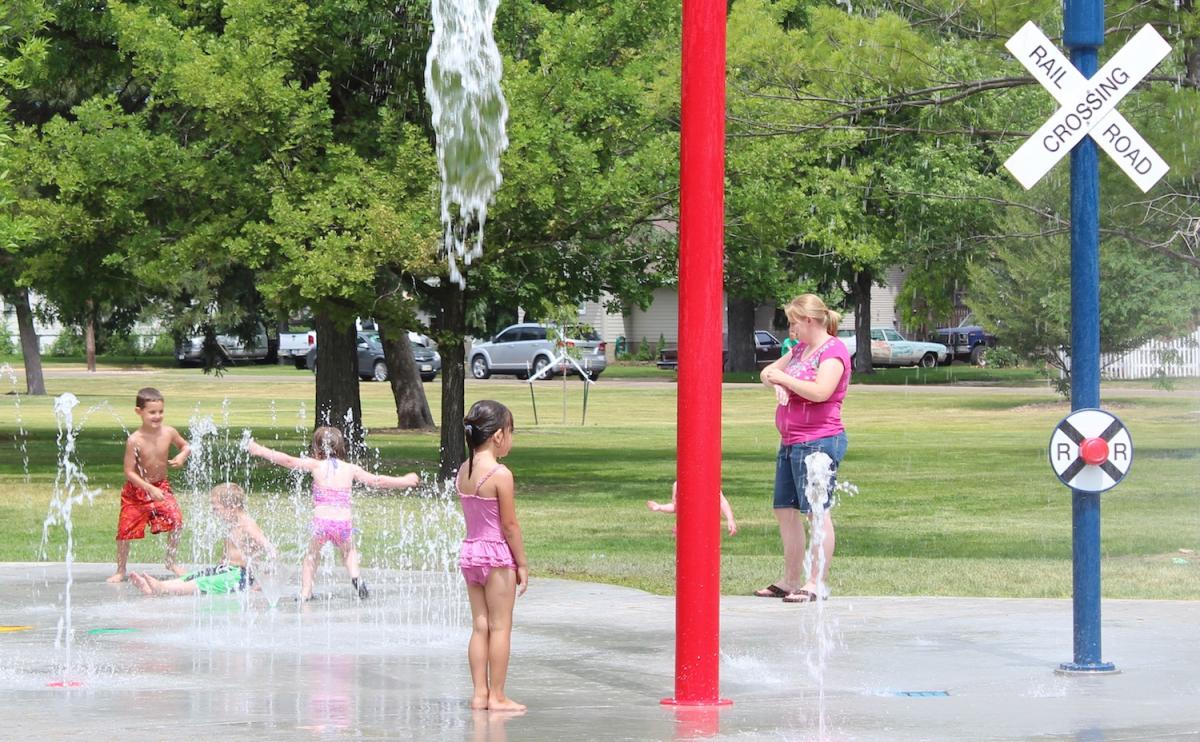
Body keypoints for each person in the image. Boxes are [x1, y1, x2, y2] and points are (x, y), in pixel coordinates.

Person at [245, 426, 419, 600]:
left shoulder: (316, 465)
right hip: (343, 524)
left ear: (316, 448)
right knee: (348, 552)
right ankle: (356, 578)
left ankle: (306, 592)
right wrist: (404, 481)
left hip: (321, 523)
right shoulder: (351, 468)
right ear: (341, 448)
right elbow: (377, 481)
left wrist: (260, 450)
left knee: (312, 556)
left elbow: (289, 461)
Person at [756, 294, 851, 604]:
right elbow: (766, 373)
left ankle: (815, 583)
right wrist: (778, 383)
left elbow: (822, 392)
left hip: (819, 441)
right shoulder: (799, 351)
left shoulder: (833, 351)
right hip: (790, 442)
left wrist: (785, 379)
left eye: (794, 322)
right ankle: (790, 580)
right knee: (785, 510)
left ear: (810, 321)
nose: (791, 328)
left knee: (816, 511)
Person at [457, 400, 528, 712]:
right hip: (496, 556)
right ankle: (497, 696)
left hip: (470, 553)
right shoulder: (500, 474)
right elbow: (509, 525)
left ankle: (479, 694)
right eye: (511, 432)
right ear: (498, 436)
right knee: (501, 626)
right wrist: (522, 563)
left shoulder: (464, 470)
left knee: (480, 625)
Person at [130, 483, 275, 596]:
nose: (213, 513)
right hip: (226, 571)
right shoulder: (232, 523)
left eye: (216, 508)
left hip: (239, 577)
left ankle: (162, 588)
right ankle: (155, 588)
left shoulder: (247, 525)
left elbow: (271, 551)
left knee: (203, 582)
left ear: (232, 506)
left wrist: (262, 582)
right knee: (195, 576)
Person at [107, 387, 190, 583]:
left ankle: (171, 561)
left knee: (176, 520)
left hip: (161, 487)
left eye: (160, 411)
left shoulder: (168, 432)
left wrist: (182, 455)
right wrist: (149, 488)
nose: (157, 416)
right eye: (152, 412)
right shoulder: (135, 440)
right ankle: (120, 570)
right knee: (124, 531)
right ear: (139, 411)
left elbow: (185, 445)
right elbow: (129, 472)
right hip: (136, 493)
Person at [647, 480, 737, 535]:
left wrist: (730, 519)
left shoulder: (708, 482)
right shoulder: (678, 485)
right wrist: (659, 507)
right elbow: (676, 507)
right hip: (685, 527)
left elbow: (722, 501)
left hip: (705, 526)